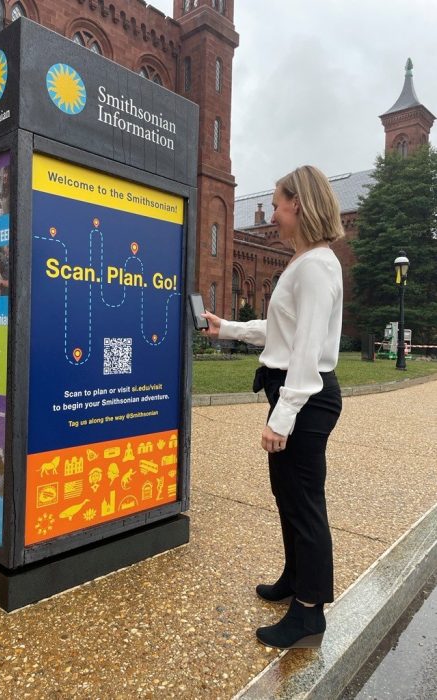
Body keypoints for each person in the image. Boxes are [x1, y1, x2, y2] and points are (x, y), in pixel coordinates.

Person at [202, 165, 344, 650]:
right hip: (296, 391)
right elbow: (283, 330)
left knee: (303, 502)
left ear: (298, 206)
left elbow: (305, 348)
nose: (276, 214)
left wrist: (281, 418)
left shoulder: (316, 266)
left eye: (280, 204)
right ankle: (295, 578)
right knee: (288, 495)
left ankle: (308, 615)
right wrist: (230, 328)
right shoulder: (307, 263)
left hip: (303, 396)